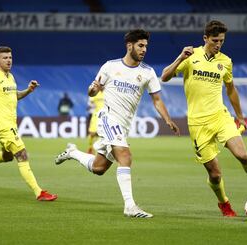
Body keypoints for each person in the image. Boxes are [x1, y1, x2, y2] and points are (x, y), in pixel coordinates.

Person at [160, 20, 247, 217]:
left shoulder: (226, 62)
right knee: (215, 174)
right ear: (205, 39)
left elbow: (231, 89)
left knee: (242, 155)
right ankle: (224, 203)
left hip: (221, 117)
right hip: (198, 124)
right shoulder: (190, 56)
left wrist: (240, 117)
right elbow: (164, 77)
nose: (218, 44)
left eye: (221, 41)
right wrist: (179, 58)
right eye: (214, 40)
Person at [55, 29, 180, 218]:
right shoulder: (110, 66)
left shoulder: (148, 72)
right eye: (140, 45)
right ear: (129, 46)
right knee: (125, 156)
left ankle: (72, 152)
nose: (144, 49)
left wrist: (168, 119)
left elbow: (156, 99)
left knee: (99, 168)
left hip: (124, 125)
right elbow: (92, 91)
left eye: (146, 46)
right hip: (108, 117)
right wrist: (93, 89)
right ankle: (130, 206)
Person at [0, 46, 57, 201]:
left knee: (7, 156)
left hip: (11, 123)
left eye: (10, 57)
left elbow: (14, 96)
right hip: (2, 123)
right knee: (22, 154)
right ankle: (39, 192)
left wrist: (28, 90)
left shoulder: (10, 77)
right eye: (5, 58)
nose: (8, 60)